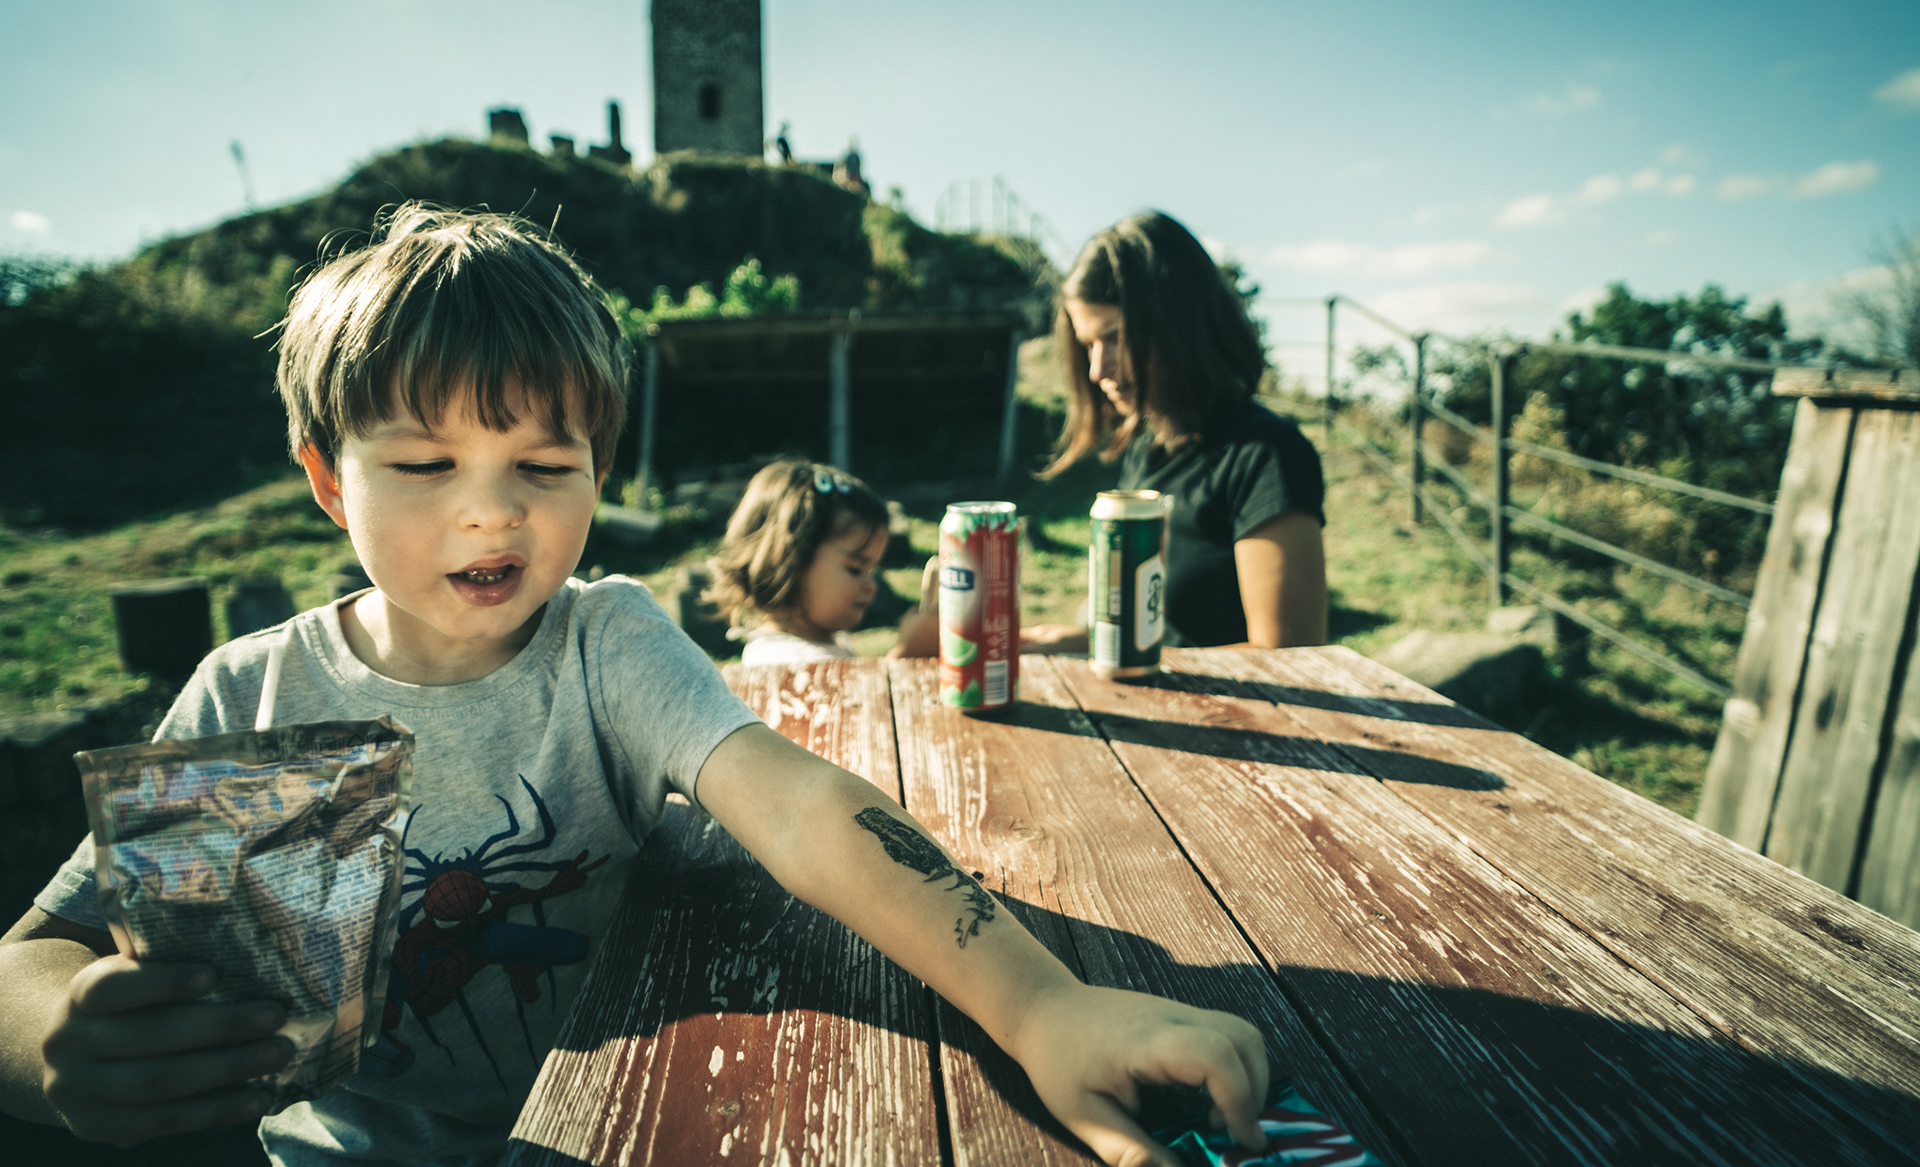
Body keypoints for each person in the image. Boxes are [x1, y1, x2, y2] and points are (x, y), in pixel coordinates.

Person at [0, 205, 1268, 1167]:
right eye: (427, 464)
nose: (492, 511)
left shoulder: (605, 641)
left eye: (545, 465)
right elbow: (37, 951)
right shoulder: (250, 694)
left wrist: (1045, 1007)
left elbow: (804, 809)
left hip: (623, 1129)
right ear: (331, 478)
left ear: (599, 469)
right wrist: (57, 1035)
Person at [1032, 210, 1327, 651]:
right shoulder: (1146, 450)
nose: (1097, 369)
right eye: (1088, 344)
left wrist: (1139, 661)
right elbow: (1158, 634)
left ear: (1177, 324)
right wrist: (1072, 642)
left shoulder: (1267, 457)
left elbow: (1287, 656)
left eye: (1115, 338)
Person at [708, 460, 920, 665]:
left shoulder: (825, 641)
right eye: (855, 569)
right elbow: (851, 691)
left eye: (871, 570)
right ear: (790, 563)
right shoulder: (786, 660)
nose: (871, 585)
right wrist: (908, 654)